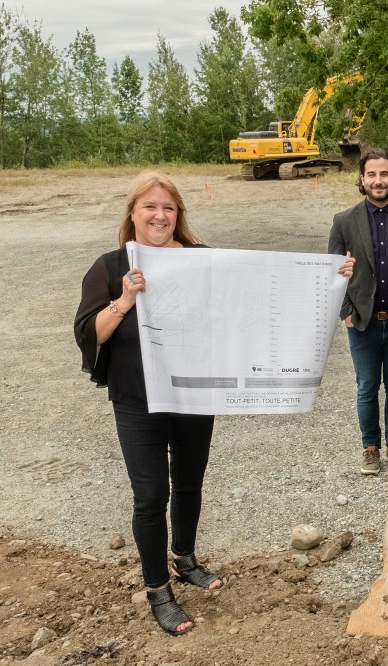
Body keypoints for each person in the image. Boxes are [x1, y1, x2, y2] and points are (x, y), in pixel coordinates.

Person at [74, 172, 223, 636]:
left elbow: (251, 294)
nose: (160, 216)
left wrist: (330, 279)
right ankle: (158, 588)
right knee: (151, 495)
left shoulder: (201, 259)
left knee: (190, 482)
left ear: (179, 216)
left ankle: (184, 557)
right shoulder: (109, 265)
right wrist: (124, 299)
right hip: (137, 399)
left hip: (193, 391)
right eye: (150, 207)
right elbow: (88, 334)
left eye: (169, 208)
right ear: (133, 214)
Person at [328, 149, 388, 475]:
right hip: (363, 324)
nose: (378, 180)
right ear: (362, 179)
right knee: (367, 387)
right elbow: (333, 272)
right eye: (371, 174)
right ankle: (370, 448)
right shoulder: (344, 221)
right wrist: (345, 313)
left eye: (384, 174)